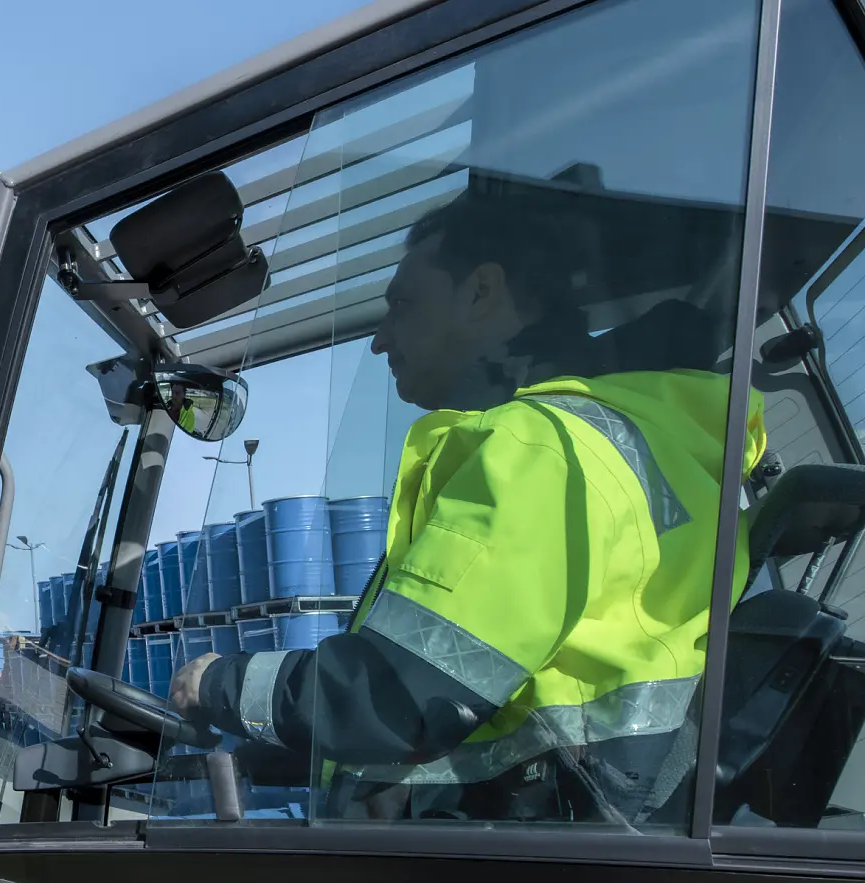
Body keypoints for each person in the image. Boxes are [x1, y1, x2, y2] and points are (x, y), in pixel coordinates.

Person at [168, 191, 767, 823]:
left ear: (481, 292)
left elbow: (400, 696)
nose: (379, 341)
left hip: (523, 853)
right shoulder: (640, 439)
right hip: (584, 827)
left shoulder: (539, 449)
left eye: (403, 305)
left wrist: (218, 683)